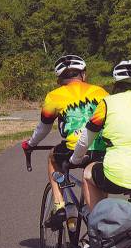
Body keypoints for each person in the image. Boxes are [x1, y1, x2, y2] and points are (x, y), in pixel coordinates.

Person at [69, 60, 131, 214]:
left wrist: (75, 159)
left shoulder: (107, 103)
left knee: (88, 172)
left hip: (119, 174)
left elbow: (85, 138)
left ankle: (99, 225)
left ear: (116, 84)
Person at [21, 55, 108, 228]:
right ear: (83, 74)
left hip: (73, 150)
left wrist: (30, 144)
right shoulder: (101, 92)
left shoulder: (54, 96)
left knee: (53, 157)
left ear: (60, 79)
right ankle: (98, 218)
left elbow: (43, 128)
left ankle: (59, 206)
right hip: (100, 147)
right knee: (98, 176)